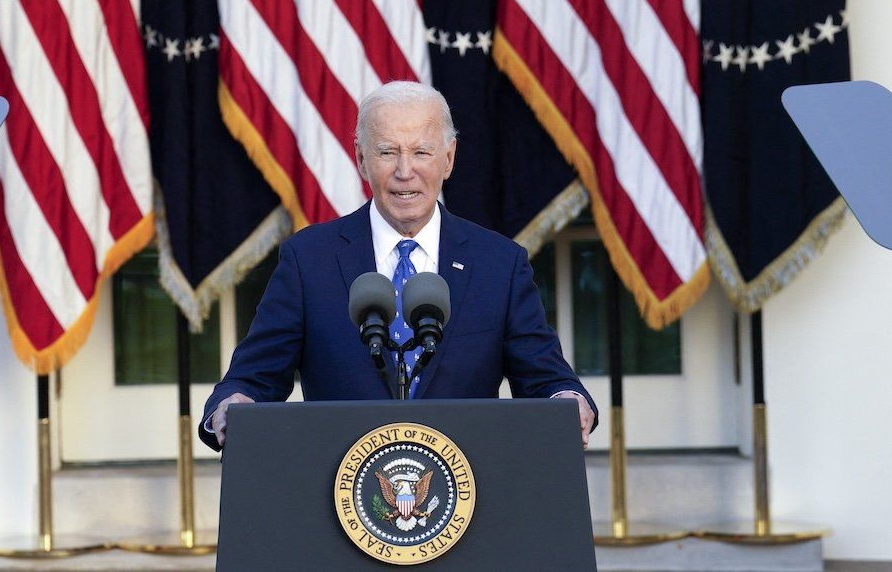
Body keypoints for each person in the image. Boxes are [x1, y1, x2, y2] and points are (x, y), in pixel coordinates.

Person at [199, 81, 596, 450]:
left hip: (468, 494)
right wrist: (236, 401)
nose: (405, 171)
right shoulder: (309, 259)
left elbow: (544, 377)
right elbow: (254, 376)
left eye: (421, 152)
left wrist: (566, 400)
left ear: (448, 159)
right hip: (338, 493)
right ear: (360, 159)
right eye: (388, 151)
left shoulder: (499, 263)